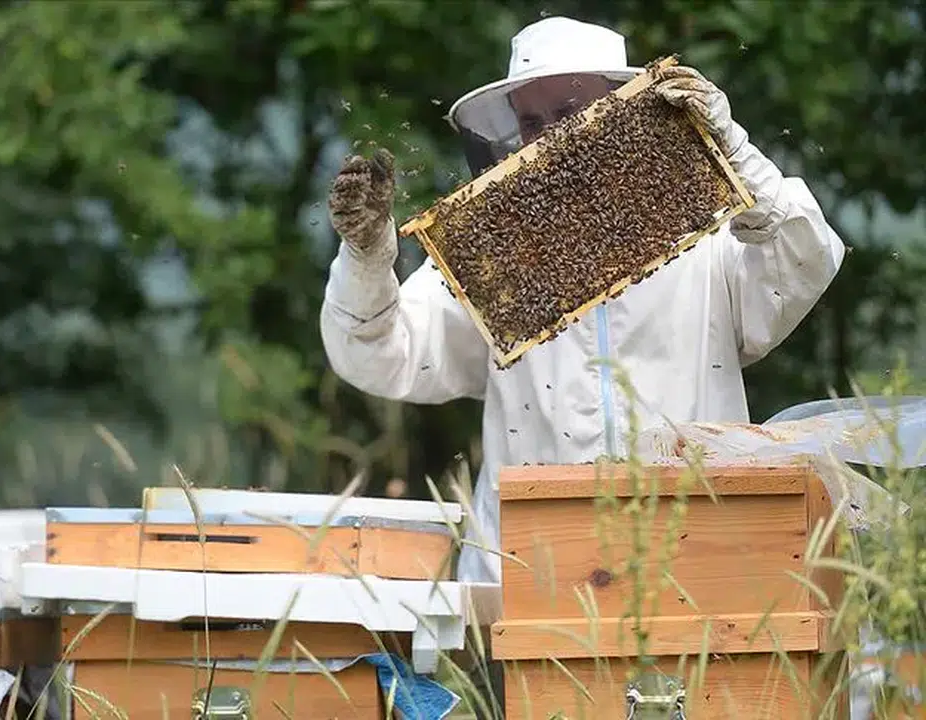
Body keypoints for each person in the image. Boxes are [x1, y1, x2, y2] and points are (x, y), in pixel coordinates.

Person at [320, 16, 846, 585]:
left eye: (569, 112)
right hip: (531, 577)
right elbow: (381, 352)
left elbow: (804, 258)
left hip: (695, 564)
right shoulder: (491, 258)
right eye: (531, 121)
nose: (550, 137)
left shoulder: (708, 238)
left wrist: (736, 155)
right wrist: (368, 260)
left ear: (621, 112)